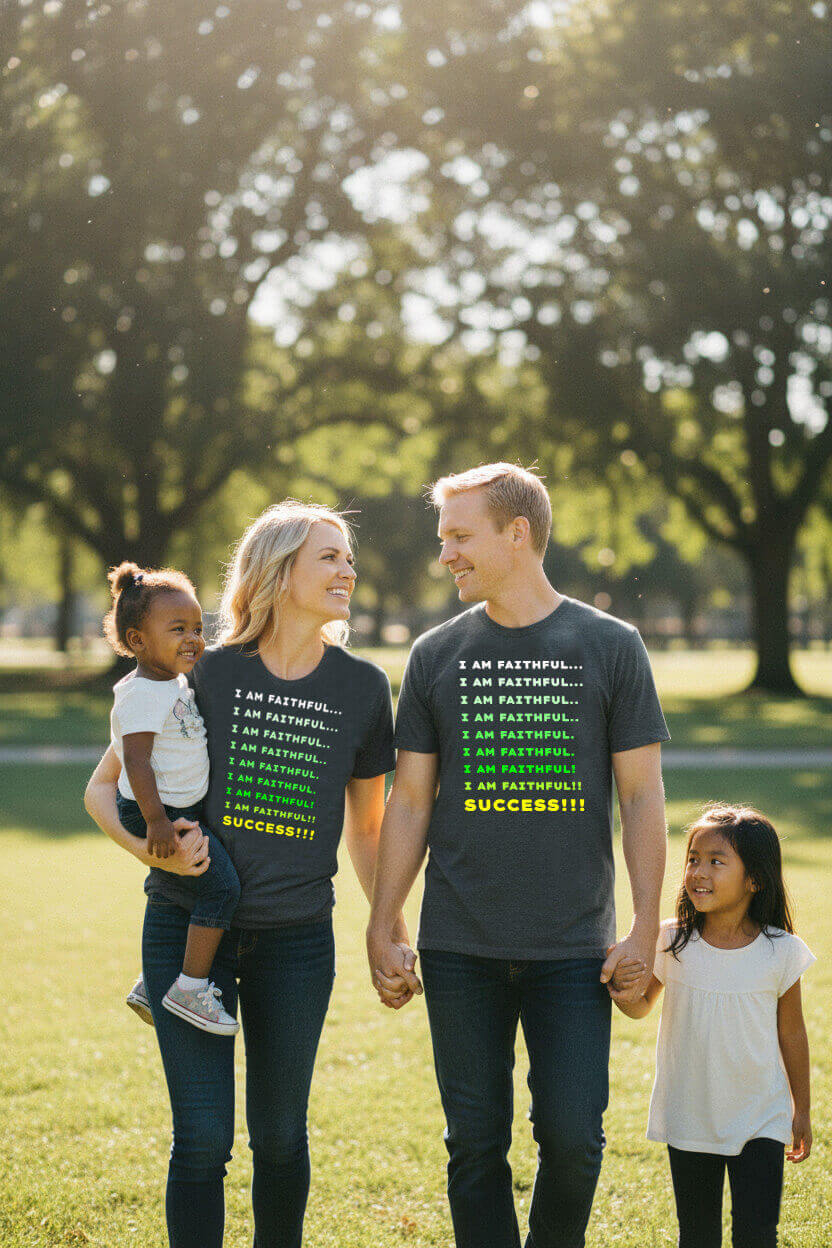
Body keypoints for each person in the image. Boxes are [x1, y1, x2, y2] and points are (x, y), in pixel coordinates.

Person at [85, 501, 408, 1248]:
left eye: (347, 556)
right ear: (278, 568)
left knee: (281, 1140)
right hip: (185, 926)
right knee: (201, 1141)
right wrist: (152, 850)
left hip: (298, 943)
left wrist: (386, 928)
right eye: (328, 556)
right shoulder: (203, 672)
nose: (347, 569)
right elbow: (102, 789)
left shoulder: (363, 688)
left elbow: (368, 827)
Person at [367, 462, 670, 1248]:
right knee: (474, 1146)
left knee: (573, 1141)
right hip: (459, 944)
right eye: (444, 541)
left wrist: (644, 928)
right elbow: (409, 801)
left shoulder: (610, 645)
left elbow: (641, 796)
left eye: (460, 538)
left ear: (518, 533)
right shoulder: (435, 655)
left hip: (574, 948)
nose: (446, 557)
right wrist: (382, 921)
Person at [612, 803, 814, 1248]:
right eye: (693, 859)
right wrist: (620, 992)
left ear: (755, 879)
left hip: (762, 1115)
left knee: (757, 1233)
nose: (698, 872)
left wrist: (801, 1109)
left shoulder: (781, 951)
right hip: (691, 1114)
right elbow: (643, 1005)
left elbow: (792, 1033)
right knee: (697, 1234)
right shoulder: (671, 941)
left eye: (716, 862)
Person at [103, 560, 240, 1035]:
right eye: (178, 629)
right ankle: (189, 986)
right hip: (158, 812)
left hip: (177, 808)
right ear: (138, 640)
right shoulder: (142, 692)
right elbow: (136, 763)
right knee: (221, 887)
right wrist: (158, 822)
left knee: (186, 886)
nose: (193, 638)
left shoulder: (173, 681)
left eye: (198, 628)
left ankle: (151, 980)